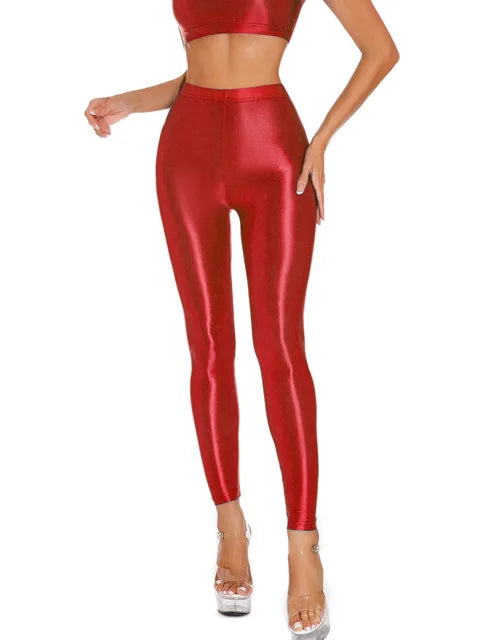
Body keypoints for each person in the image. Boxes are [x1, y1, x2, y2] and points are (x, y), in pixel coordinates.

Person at [84, 0, 399, 636]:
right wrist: (130, 101)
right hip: (188, 151)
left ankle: (303, 546)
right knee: (207, 346)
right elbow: (202, 71)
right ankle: (230, 526)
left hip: (275, 151)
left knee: (280, 345)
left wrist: (322, 138)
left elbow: (381, 51)